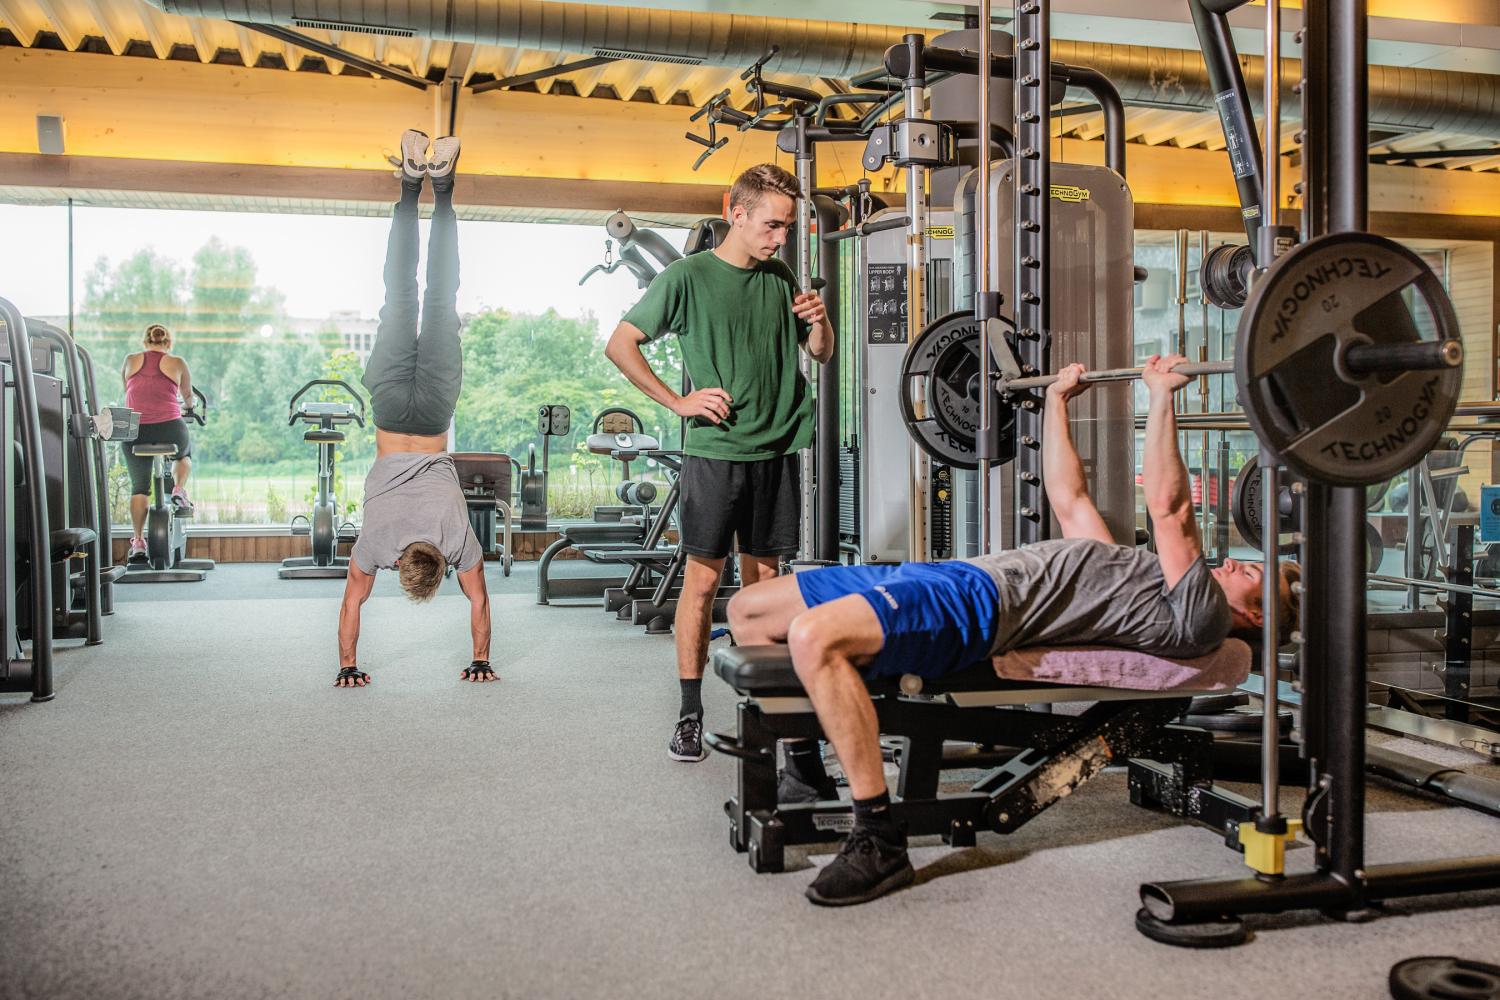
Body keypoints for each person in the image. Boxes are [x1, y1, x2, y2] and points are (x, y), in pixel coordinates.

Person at [727, 354, 1301, 906]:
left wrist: (1160, 398)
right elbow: (1069, 497)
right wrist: (1056, 403)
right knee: (748, 611)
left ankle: (879, 838)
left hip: (980, 607)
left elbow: (1171, 508)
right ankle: (805, 776)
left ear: (1254, 617)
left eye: (1249, 573)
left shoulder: (1200, 615)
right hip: (956, 577)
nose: (1230, 564)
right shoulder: (1135, 573)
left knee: (813, 636)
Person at [604, 163, 835, 762]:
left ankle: (772, 715)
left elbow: (821, 354)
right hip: (715, 453)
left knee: (766, 587)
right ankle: (689, 712)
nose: (781, 237)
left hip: (777, 451)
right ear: (737, 212)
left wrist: (820, 323)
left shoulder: (781, 276)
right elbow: (620, 343)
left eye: (786, 226)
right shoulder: (687, 277)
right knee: (703, 584)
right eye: (772, 224)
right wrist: (679, 401)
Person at [334, 129, 492, 690]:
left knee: (440, 296)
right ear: (404, 566)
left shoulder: (457, 543)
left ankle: (442, 186)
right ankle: (408, 184)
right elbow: (353, 604)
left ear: (440, 567)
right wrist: (347, 665)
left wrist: (482, 660)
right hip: (389, 408)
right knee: (400, 294)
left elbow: (479, 604)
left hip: (432, 416)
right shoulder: (376, 545)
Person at [122, 324, 196, 562]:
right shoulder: (177, 362)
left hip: (135, 430)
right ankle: (178, 489)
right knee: (183, 455)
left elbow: (129, 391)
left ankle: (138, 541)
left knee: (139, 487)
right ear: (168, 343)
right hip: (170, 427)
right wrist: (188, 407)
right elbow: (188, 398)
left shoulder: (131, 360)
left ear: (145, 342)